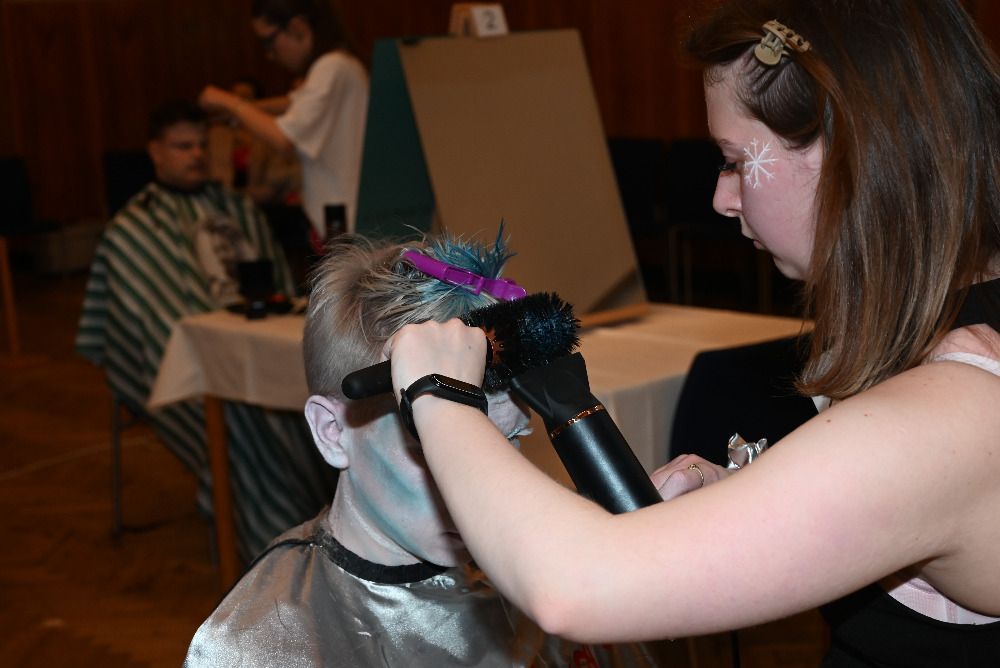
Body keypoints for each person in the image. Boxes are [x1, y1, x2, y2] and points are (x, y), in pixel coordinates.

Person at [381, 1, 1000, 664]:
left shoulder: (949, 409)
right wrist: (743, 498)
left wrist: (441, 394)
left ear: (848, 150)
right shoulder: (933, 339)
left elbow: (577, 587)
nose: (720, 199)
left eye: (735, 161)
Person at [183, 232, 661, 667]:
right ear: (332, 431)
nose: (481, 487)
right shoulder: (260, 646)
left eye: (510, 440)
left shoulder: (546, 570)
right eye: (436, 444)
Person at [77, 99, 336, 560]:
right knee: (240, 420)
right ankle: (273, 546)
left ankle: (327, 525)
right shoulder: (132, 229)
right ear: (155, 152)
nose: (196, 154)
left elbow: (280, 288)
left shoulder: (237, 208)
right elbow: (147, 325)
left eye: (201, 145)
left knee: (321, 393)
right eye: (183, 146)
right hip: (191, 368)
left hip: (252, 346)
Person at [199, 0, 368, 246]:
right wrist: (244, 110)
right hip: (345, 219)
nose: (269, 55)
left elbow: (284, 138)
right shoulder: (343, 63)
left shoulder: (331, 66)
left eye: (268, 41)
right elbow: (293, 102)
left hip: (347, 223)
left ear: (297, 27)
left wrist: (228, 102)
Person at [207, 77, 302, 208]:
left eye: (244, 98)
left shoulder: (270, 135)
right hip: (222, 202)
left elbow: (279, 178)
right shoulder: (217, 134)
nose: (237, 102)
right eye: (233, 96)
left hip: (265, 203)